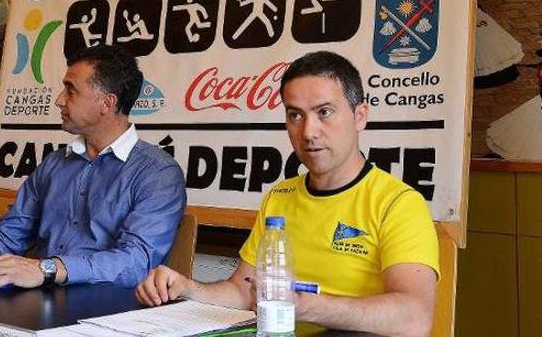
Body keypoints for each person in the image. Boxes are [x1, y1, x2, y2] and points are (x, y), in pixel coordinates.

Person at [136, 51, 439, 337]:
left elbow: (415, 317)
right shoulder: (279, 196)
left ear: (360, 115)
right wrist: (188, 288)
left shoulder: (398, 203)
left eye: (324, 112)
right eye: (295, 115)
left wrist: (306, 305)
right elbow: (244, 291)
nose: (308, 131)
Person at [0, 44, 186, 290]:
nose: (58, 100)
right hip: (41, 299)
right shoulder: (56, 164)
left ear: (106, 103)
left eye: (70, 90)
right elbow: (6, 236)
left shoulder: (157, 174)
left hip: (107, 311)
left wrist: (46, 269)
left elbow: (135, 263)